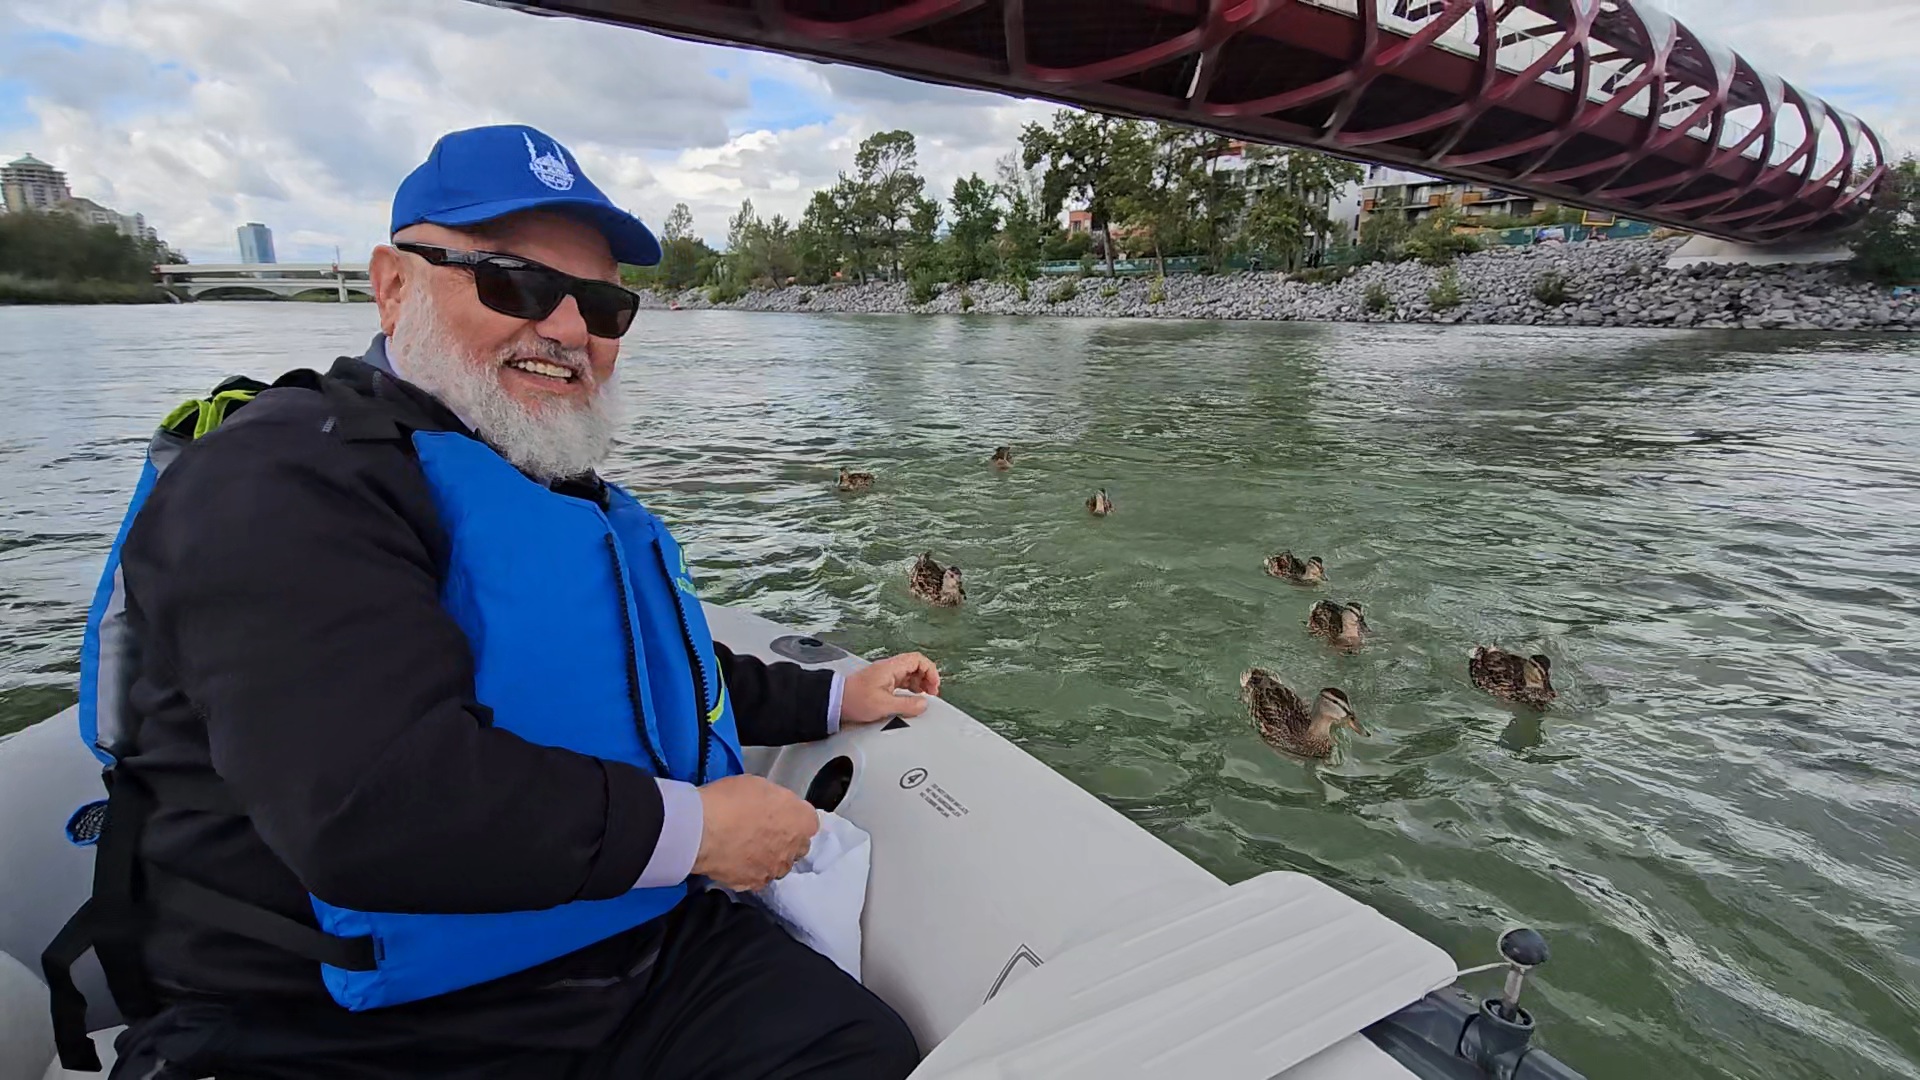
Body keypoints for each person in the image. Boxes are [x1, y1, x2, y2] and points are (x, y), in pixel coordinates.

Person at [50, 125, 934, 1079]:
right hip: (333, 1023)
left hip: (617, 956)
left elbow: (639, 674)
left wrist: (833, 696)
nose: (568, 329)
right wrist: (700, 834)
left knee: (859, 1051)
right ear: (394, 286)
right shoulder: (279, 481)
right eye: (514, 282)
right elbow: (370, 803)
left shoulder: (537, 479)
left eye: (603, 304)